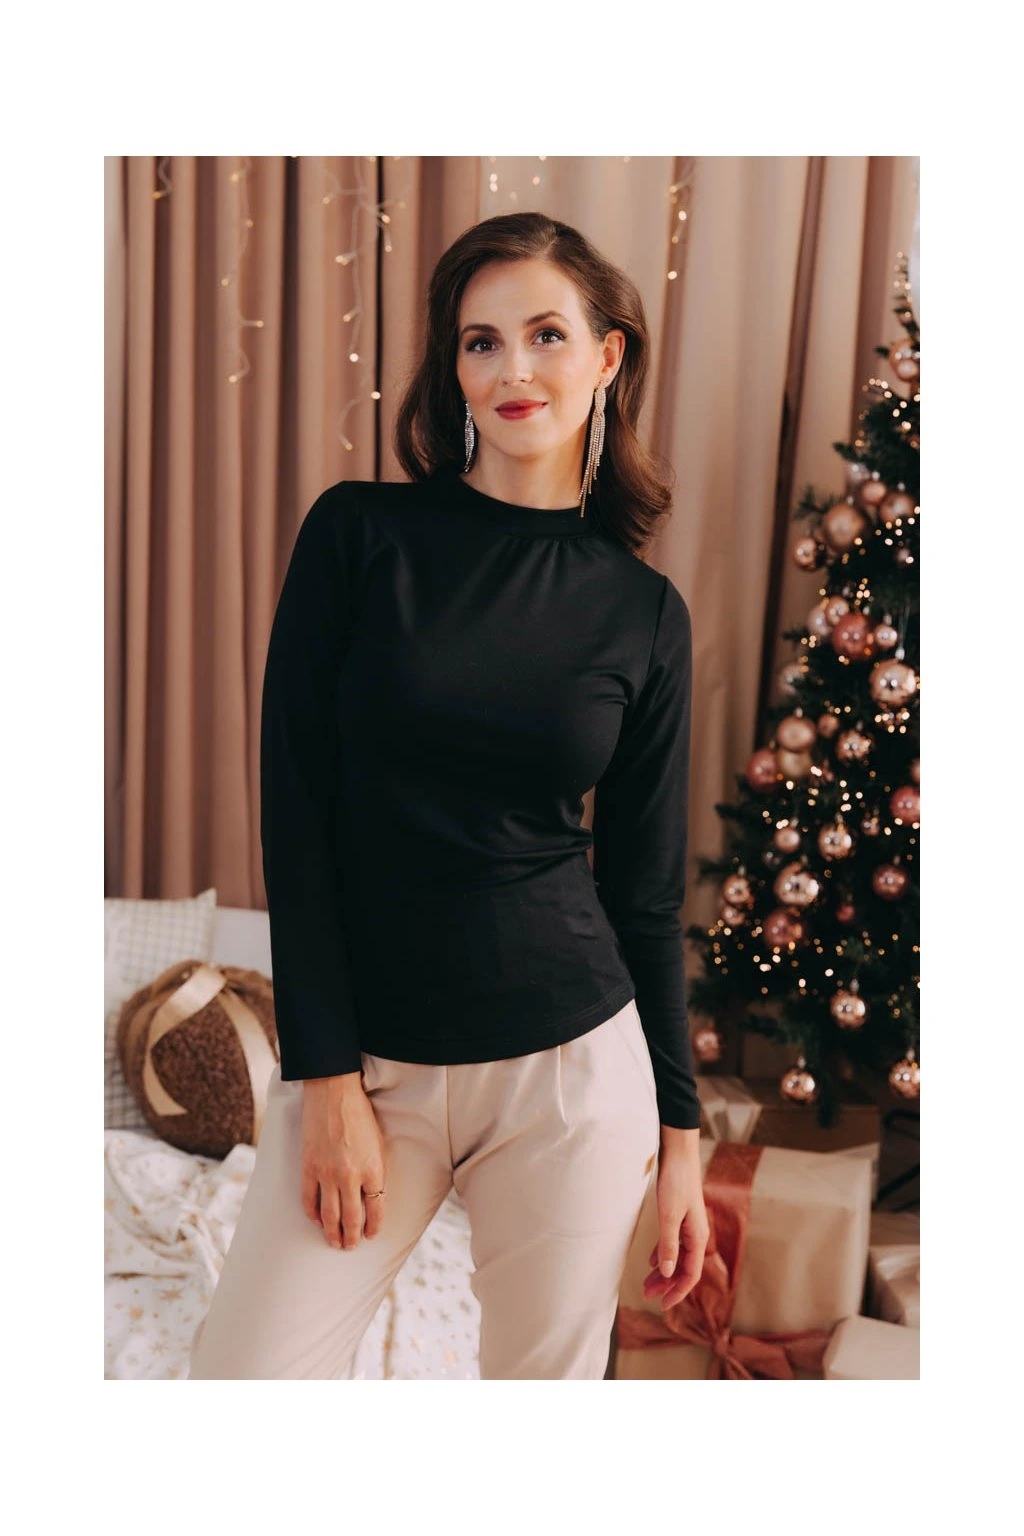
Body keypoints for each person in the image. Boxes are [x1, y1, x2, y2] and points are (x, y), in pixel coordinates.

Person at [188, 210, 709, 1381]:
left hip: (571, 1076)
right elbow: (298, 817)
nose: (513, 369)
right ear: (453, 366)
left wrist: (682, 1138)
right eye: (481, 342)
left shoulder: (643, 614)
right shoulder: (360, 534)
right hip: (373, 1068)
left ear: (607, 356)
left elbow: (642, 896)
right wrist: (325, 1079)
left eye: (545, 334)